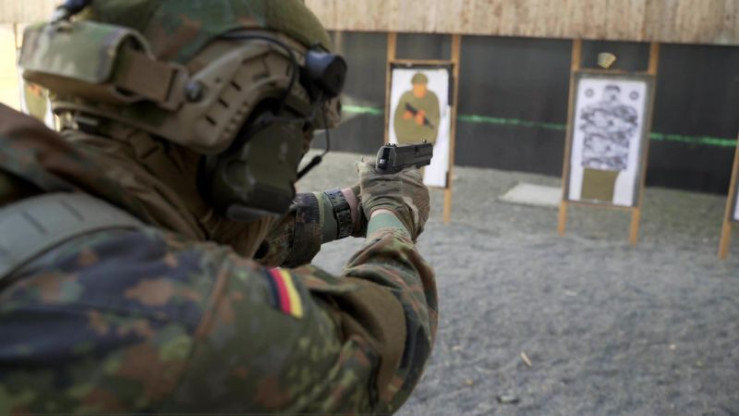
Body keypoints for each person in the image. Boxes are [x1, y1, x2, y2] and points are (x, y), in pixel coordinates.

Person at [0, 1, 437, 414]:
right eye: (296, 132)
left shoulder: (38, 187)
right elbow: (378, 343)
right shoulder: (182, 313)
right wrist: (393, 217)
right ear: (233, 107)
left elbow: (205, 227)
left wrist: (351, 207)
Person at [393, 72, 441, 146]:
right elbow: (397, 119)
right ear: (413, 86)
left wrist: (425, 117)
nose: (419, 89)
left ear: (426, 86)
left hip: (425, 138)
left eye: (422, 85)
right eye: (417, 85)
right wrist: (405, 117)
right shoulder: (406, 96)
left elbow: (436, 119)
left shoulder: (432, 98)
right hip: (407, 138)